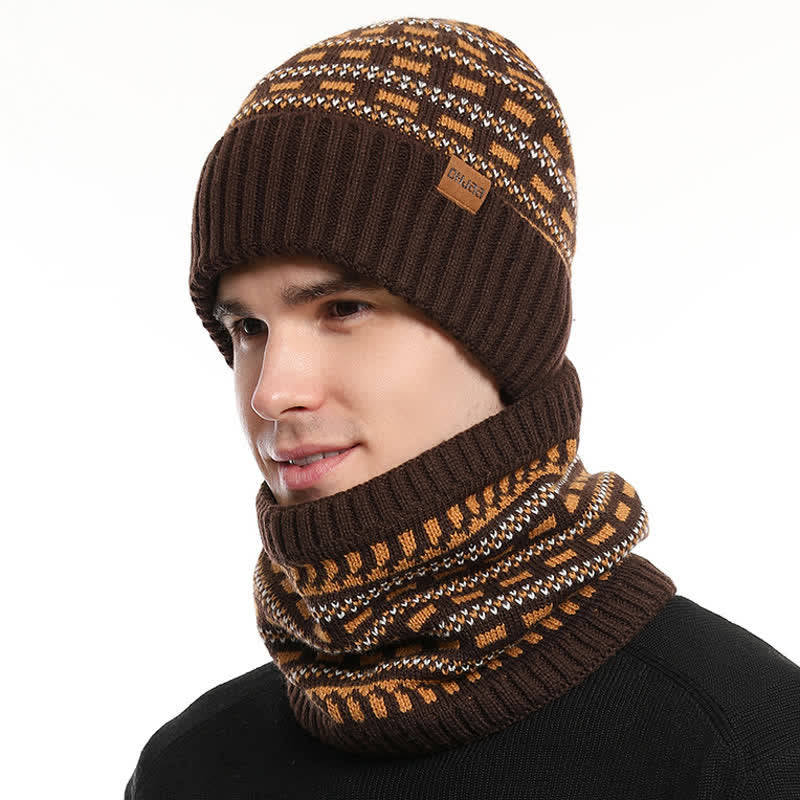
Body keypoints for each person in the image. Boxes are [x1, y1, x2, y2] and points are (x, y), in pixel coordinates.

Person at [125, 15, 800, 799]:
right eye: (247, 328)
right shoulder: (190, 769)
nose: (272, 392)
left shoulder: (744, 748)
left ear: (504, 330)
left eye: (344, 309)